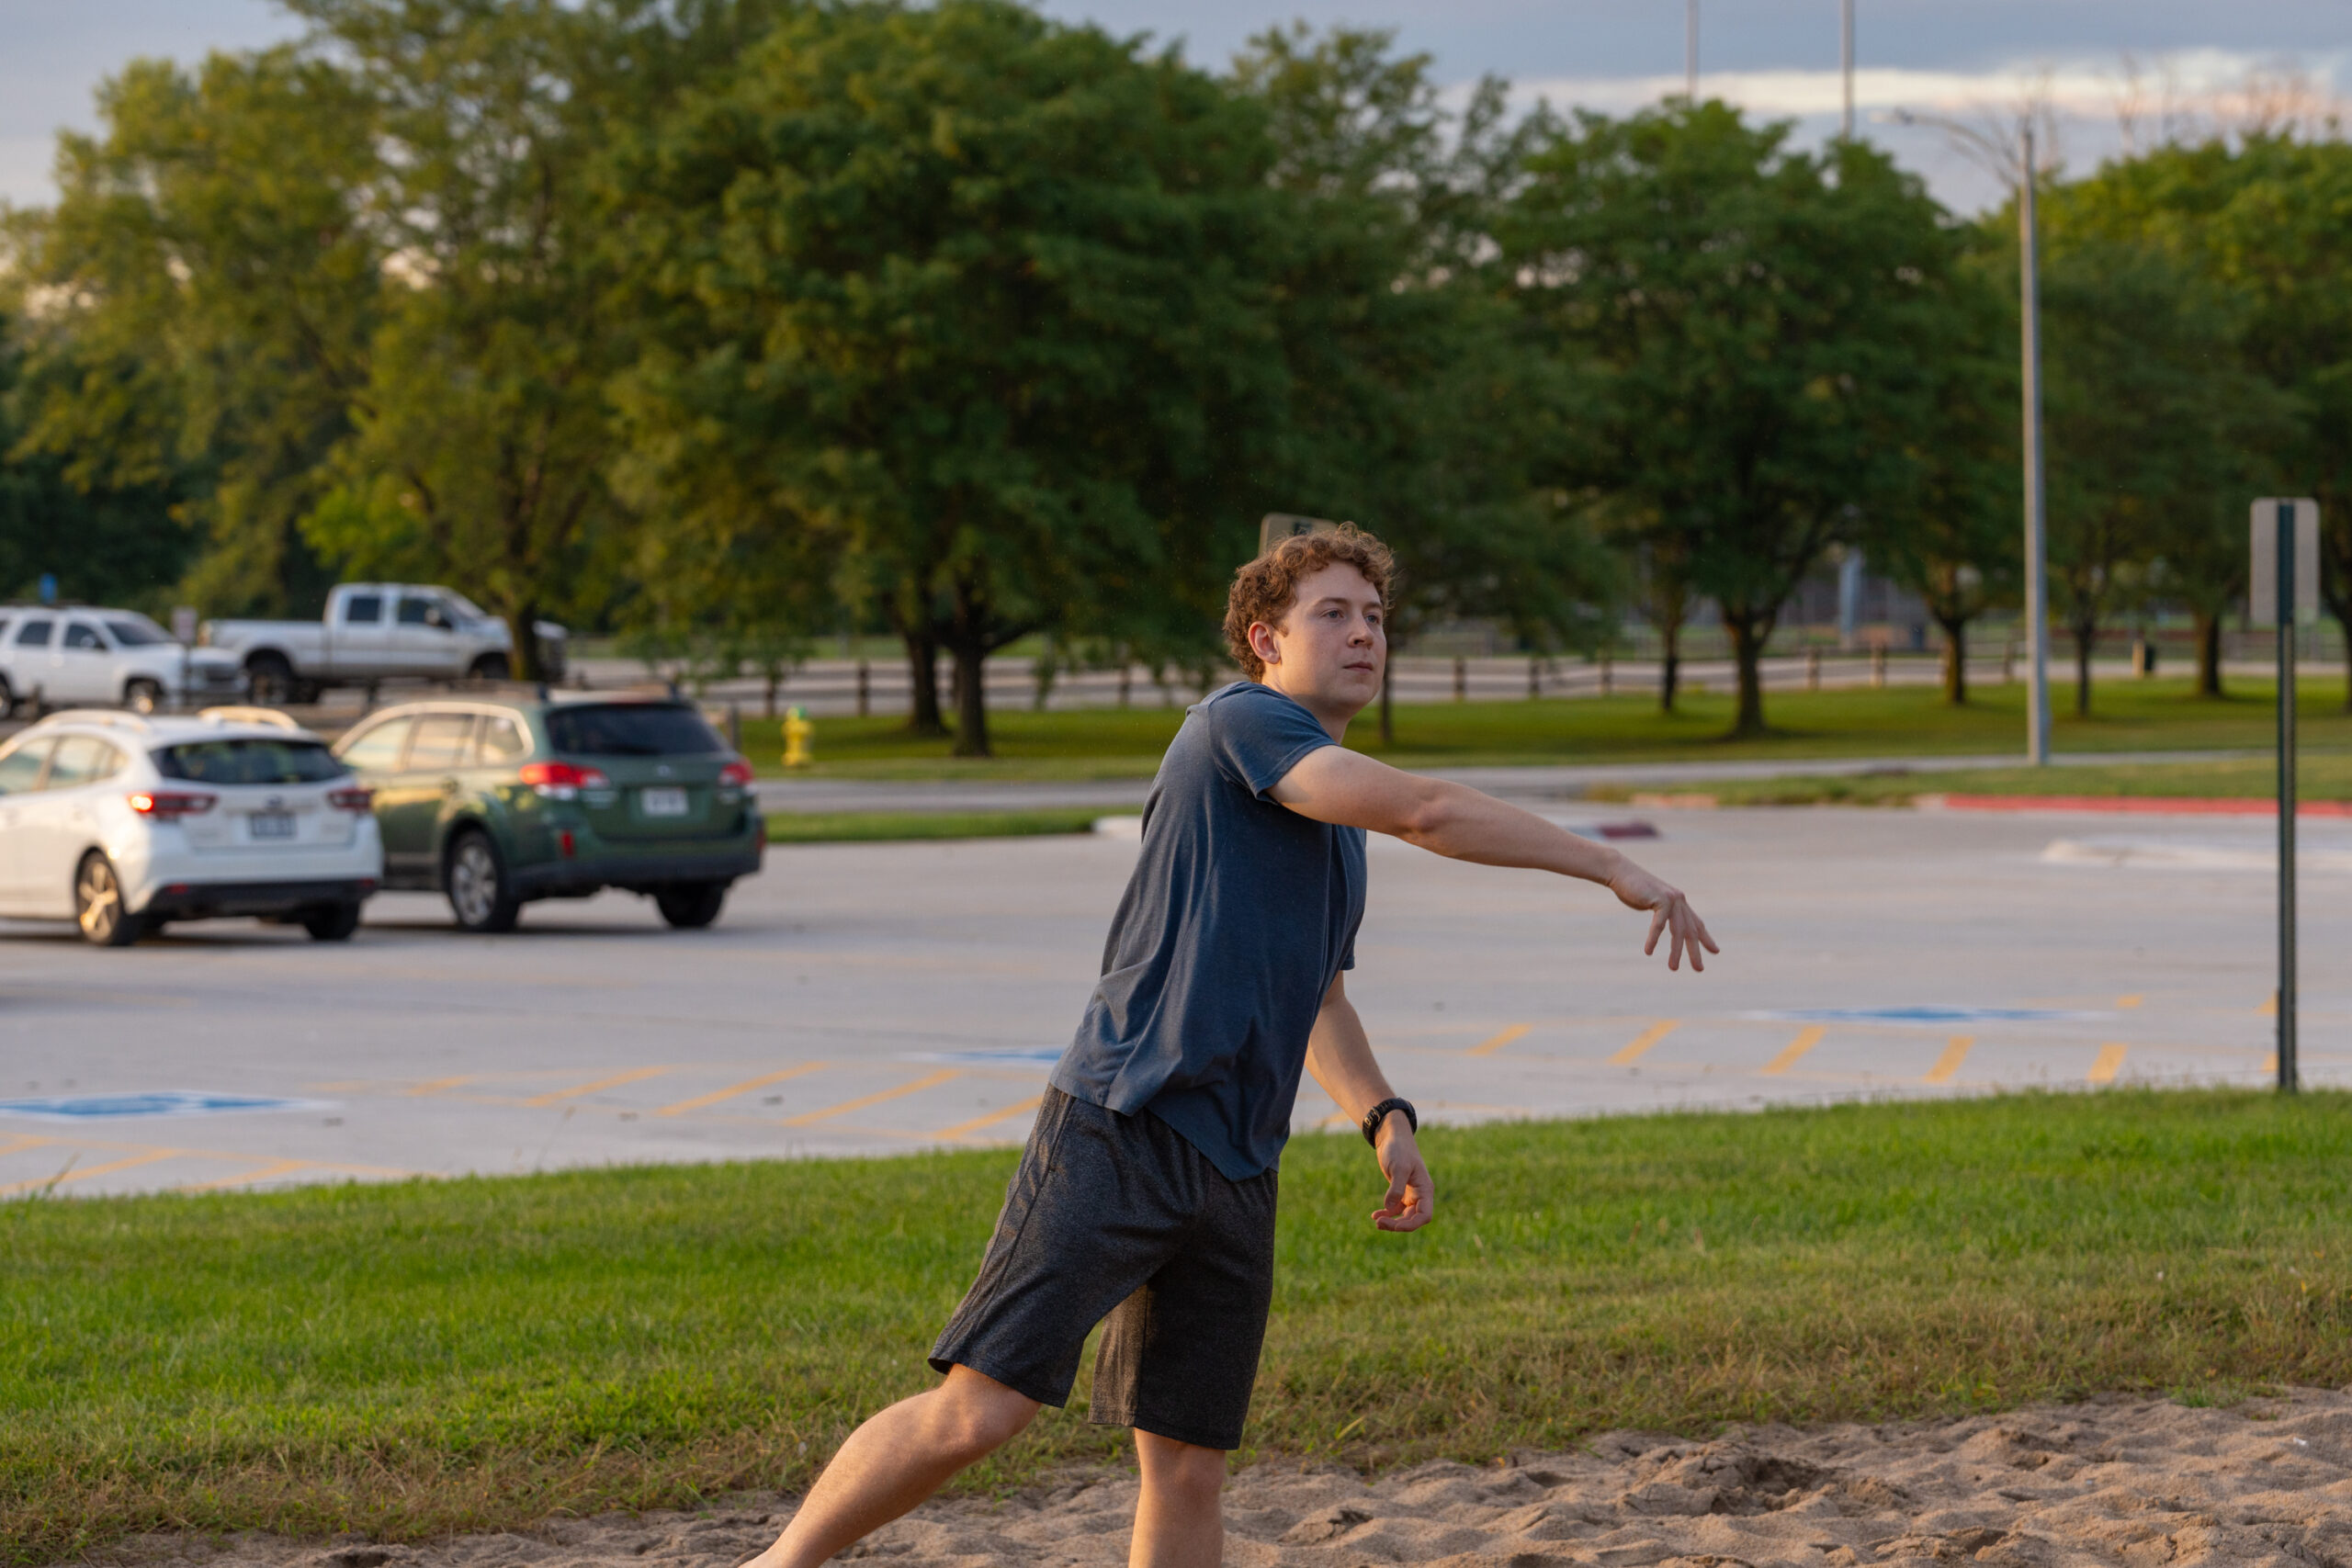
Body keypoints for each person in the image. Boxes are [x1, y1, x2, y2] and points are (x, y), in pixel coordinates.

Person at [745, 525, 1716, 1568]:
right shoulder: (1239, 724)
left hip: (1240, 1164)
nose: (1363, 633)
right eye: (1332, 614)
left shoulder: (1334, 821)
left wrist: (1382, 1116)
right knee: (981, 1410)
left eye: (1375, 616)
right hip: (1125, 1124)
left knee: (1188, 1463)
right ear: (1265, 639)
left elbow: (1320, 1000)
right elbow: (1429, 810)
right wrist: (1610, 866)